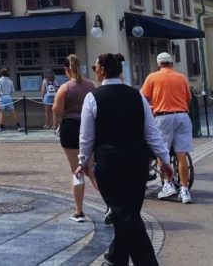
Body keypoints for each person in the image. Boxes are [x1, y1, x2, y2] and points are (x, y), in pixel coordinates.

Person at [76, 54, 171, 266]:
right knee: (129, 211)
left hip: (109, 160)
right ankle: (117, 256)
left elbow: (86, 136)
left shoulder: (93, 97)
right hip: (137, 160)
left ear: (101, 71)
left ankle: (146, 262)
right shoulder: (136, 96)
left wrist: (82, 161)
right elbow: (151, 132)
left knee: (123, 213)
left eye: (95, 67)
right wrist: (165, 160)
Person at [141, 52, 194, 204]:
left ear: (159, 64)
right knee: (181, 154)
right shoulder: (181, 77)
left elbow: (143, 99)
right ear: (172, 63)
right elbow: (188, 99)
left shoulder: (152, 77)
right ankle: (184, 190)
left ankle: (167, 184)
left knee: (162, 152)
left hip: (163, 117)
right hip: (182, 116)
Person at [51, 54, 97, 222]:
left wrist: (56, 123)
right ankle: (110, 205)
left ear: (66, 70)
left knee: (76, 171)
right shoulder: (92, 85)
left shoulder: (65, 87)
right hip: (89, 127)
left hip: (70, 128)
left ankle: (78, 211)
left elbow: (56, 109)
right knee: (90, 170)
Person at [0, 68, 23, 133]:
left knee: (2, 113)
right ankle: (18, 126)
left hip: (2, 97)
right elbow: (13, 91)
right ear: (7, 73)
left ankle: (2, 128)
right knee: (13, 111)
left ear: (1, 73)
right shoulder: (10, 81)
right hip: (9, 97)